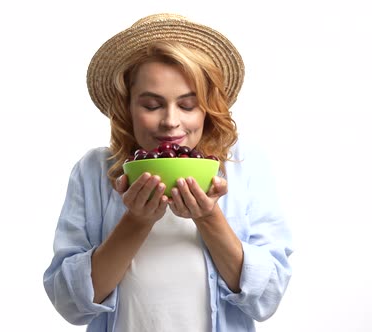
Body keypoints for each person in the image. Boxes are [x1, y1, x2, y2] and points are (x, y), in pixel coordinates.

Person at [43, 13, 293, 332]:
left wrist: (208, 217)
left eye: (187, 105)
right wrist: (137, 220)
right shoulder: (94, 170)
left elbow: (267, 298)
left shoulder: (243, 165)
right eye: (151, 105)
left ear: (207, 108)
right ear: (127, 108)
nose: (170, 121)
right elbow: (69, 303)